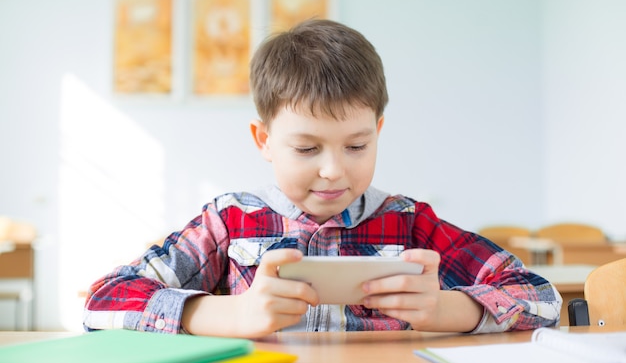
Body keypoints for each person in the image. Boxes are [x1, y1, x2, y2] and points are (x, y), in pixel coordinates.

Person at [83, 19, 562, 338]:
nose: (334, 170)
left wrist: (445, 310)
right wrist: (231, 313)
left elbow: (543, 298)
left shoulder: (409, 222)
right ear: (264, 140)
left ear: (377, 132)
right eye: (307, 148)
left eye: (356, 146)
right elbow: (101, 305)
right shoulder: (229, 221)